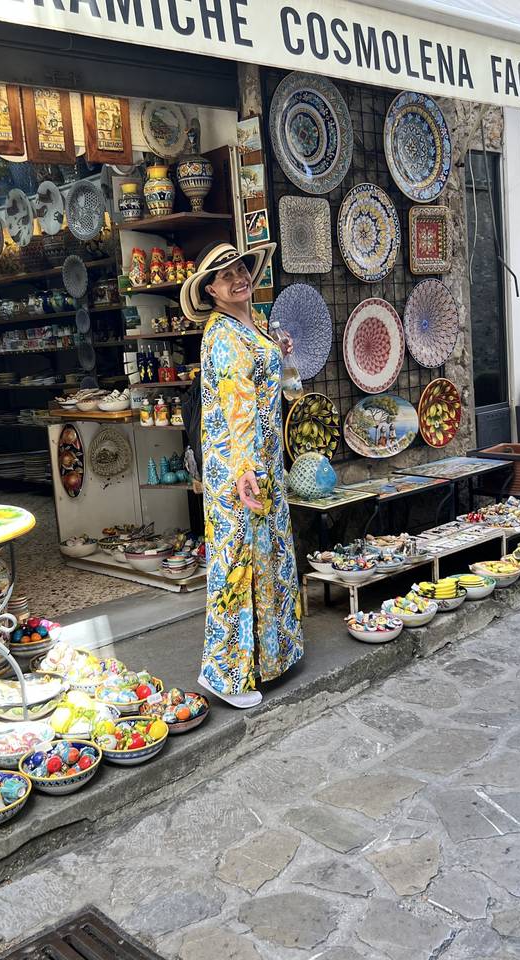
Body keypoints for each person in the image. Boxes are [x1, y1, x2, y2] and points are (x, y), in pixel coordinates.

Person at [180, 242, 304, 709]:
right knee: (236, 566)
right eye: (224, 275)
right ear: (210, 290)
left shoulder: (253, 328)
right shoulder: (226, 335)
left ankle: (269, 658)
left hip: (261, 466)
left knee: (265, 556)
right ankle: (224, 673)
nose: (237, 278)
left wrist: (281, 355)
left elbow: (284, 392)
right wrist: (245, 472)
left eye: (241, 268)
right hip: (240, 470)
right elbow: (235, 411)